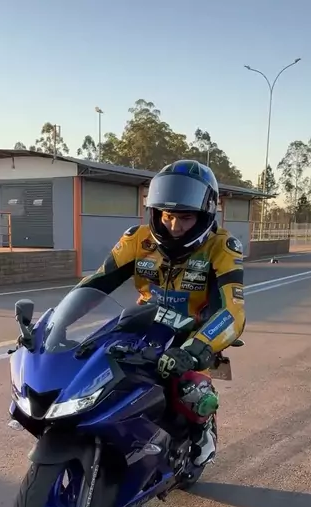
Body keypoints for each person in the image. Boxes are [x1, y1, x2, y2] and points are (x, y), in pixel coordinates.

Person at [77, 159, 246, 467]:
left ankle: (203, 431)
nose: (174, 226)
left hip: (192, 332)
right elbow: (97, 283)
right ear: (156, 212)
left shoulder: (222, 246)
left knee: (191, 392)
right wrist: (55, 325)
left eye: (186, 217)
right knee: (93, 364)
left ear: (205, 214)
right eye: (168, 216)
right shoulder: (137, 239)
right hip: (144, 323)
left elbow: (233, 310)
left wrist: (196, 350)